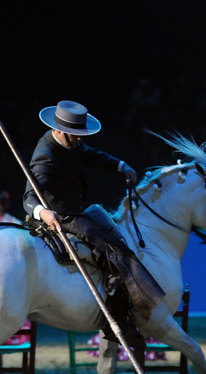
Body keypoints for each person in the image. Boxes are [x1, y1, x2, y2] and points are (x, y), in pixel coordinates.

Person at [23, 100, 165, 336]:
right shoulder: (45, 156)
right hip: (62, 216)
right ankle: (125, 312)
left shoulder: (72, 145)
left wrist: (120, 166)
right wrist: (43, 212)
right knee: (116, 249)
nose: (80, 139)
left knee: (114, 229)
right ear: (59, 131)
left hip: (79, 209)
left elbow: (91, 155)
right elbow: (28, 197)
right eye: (75, 135)